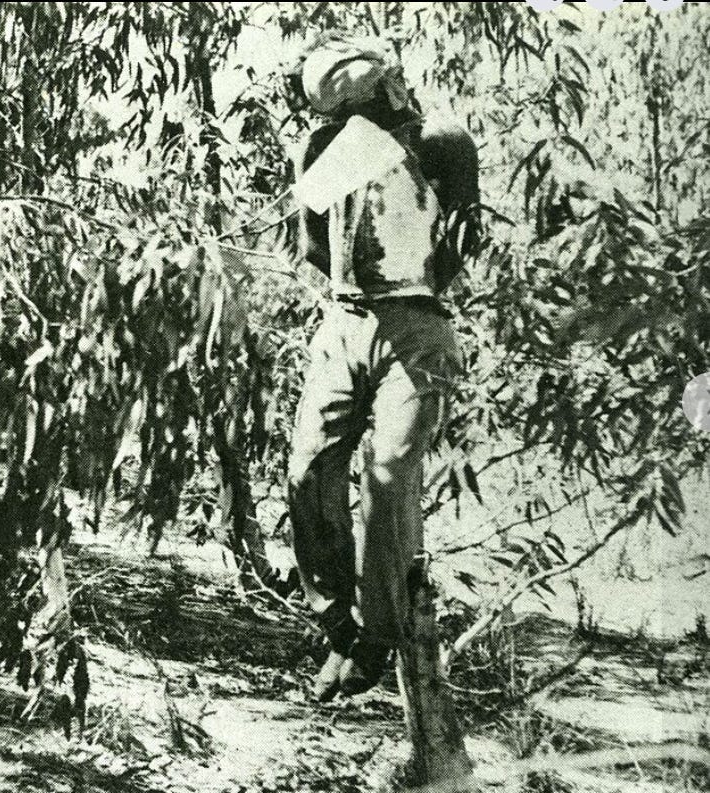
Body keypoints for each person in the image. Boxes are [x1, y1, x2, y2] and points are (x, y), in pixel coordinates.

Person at [283, 34, 481, 702]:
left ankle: (377, 637)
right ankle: (336, 623)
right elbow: (314, 244)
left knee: (390, 479)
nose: (359, 120)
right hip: (345, 321)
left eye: (367, 104)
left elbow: (462, 238)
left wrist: (413, 295)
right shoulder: (325, 147)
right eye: (344, 113)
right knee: (308, 467)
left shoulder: (442, 142)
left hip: (417, 326)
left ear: (392, 87)